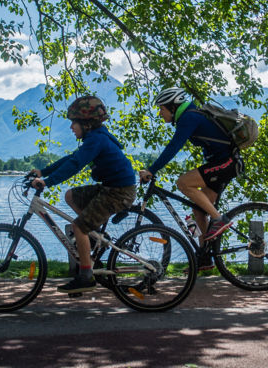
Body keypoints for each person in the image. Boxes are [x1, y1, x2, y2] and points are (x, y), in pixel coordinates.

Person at [30, 95, 136, 294]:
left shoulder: (96, 140)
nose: (71, 128)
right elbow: (72, 158)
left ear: (86, 124)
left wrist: (47, 182)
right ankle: (93, 235)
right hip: (111, 188)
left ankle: (86, 276)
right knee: (71, 196)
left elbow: (75, 165)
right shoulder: (94, 138)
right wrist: (44, 172)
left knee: (79, 227)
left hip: (118, 192)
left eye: (73, 123)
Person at [138, 87, 243, 270]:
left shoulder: (189, 117)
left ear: (172, 106)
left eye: (162, 109)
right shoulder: (190, 115)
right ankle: (204, 258)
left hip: (227, 163)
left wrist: (151, 169)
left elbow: (173, 147)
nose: (160, 113)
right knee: (199, 211)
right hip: (221, 163)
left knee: (183, 182)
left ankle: (219, 219)